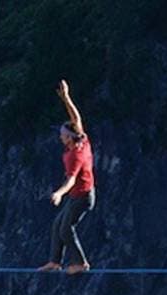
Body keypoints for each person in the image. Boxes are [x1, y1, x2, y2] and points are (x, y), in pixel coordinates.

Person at [40, 79, 96, 275]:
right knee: (58, 225)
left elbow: (71, 180)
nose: (60, 137)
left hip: (82, 197)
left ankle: (80, 263)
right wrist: (66, 98)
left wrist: (58, 194)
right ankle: (55, 262)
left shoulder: (76, 156)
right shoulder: (82, 139)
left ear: (70, 138)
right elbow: (75, 117)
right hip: (77, 196)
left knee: (65, 229)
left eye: (63, 135)